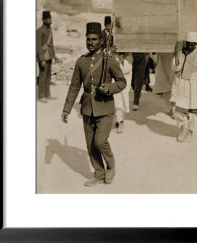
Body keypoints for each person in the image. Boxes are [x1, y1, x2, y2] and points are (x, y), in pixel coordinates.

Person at [61, 22, 127, 187]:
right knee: (90, 145)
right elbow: (74, 86)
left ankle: (111, 165)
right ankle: (99, 174)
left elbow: (122, 82)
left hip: (105, 108)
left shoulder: (110, 60)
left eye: (94, 39)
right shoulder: (81, 61)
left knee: (100, 141)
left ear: (101, 41)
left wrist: (109, 88)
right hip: (87, 108)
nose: (91, 42)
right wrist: (67, 109)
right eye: (88, 39)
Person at [36, 11, 62, 103]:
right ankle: (41, 95)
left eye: (51, 19)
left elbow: (51, 45)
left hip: (49, 56)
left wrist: (55, 57)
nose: (50, 21)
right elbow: (38, 46)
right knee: (42, 76)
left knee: (48, 76)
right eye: (49, 19)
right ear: (44, 20)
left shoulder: (50, 30)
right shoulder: (39, 31)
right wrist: (41, 59)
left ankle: (47, 94)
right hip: (43, 57)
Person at [113, 52, 132, 133]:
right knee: (116, 99)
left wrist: (122, 61)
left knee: (123, 97)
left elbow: (128, 69)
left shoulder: (128, 55)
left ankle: (120, 121)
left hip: (124, 77)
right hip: (113, 76)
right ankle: (119, 120)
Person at [153, 53, 176, 117]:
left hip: (172, 56)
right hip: (163, 58)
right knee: (165, 83)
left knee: (173, 82)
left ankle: (174, 108)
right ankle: (172, 108)